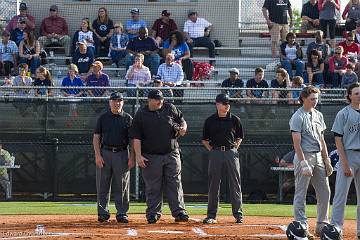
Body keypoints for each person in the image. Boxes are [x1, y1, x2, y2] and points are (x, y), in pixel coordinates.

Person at [130, 89, 189, 224]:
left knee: (175, 183)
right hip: (151, 155)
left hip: (172, 152)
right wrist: (138, 156)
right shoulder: (141, 114)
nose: (160, 101)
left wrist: (183, 128)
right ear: (149, 100)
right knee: (153, 186)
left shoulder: (170, 108)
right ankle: (153, 213)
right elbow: (136, 138)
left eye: (161, 99)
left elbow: (182, 121)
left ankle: (179, 212)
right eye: (157, 99)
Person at [289, 86, 332, 238]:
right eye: (312, 98)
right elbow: (296, 143)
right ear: (304, 99)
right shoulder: (297, 116)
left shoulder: (319, 115)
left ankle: (322, 225)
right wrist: (303, 163)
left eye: (316, 98)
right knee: (301, 191)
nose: (315, 101)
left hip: (319, 156)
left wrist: (326, 159)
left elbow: (322, 140)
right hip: (305, 156)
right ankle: (301, 225)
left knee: (325, 191)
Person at [201, 93, 244, 224]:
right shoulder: (210, 120)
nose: (227, 106)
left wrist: (234, 148)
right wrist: (213, 151)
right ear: (217, 104)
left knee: (235, 183)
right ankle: (211, 215)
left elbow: (239, 137)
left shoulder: (235, 119)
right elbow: (205, 140)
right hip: (216, 152)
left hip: (231, 152)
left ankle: (238, 215)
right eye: (224, 103)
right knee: (213, 184)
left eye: (228, 103)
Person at [93, 91, 135, 223]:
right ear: (109, 102)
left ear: (123, 102)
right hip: (105, 153)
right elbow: (96, 137)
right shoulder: (103, 117)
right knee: (102, 185)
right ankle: (103, 213)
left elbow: (133, 140)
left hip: (122, 153)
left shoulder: (128, 118)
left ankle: (122, 213)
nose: (117, 103)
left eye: (119, 101)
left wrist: (132, 157)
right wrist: (98, 155)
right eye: (114, 100)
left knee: (122, 185)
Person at [330, 82, 360, 239]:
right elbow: (338, 140)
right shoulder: (343, 113)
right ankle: (336, 227)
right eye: (356, 93)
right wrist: (345, 162)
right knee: (341, 194)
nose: (359, 95)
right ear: (349, 96)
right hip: (348, 155)